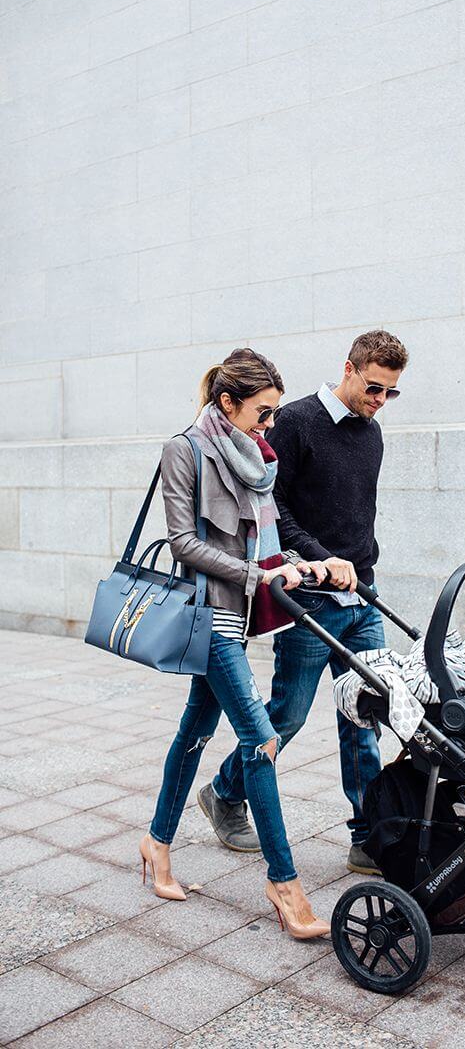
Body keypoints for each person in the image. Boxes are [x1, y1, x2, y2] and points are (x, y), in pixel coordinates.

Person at [198, 330, 408, 874]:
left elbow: (358, 514)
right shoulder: (293, 422)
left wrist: (359, 566)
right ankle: (224, 792)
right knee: (287, 715)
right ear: (349, 368)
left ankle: (367, 837)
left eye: (390, 392)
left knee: (364, 716)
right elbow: (275, 513)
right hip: (309, 599)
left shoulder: (373, 434)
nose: (380, 400)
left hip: (361, 594)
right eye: (373, 387)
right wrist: (321, 558)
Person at [139, 348, 329, 940]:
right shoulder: (185, 449)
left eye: (274, 413)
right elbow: (182, 542)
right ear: (227, 402)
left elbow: (261, 541)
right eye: (262, 412)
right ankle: (284, 884)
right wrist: (257, 577)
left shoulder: (255, 456)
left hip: (239, 617)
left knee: (195, 731)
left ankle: (156, 844)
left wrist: (290, 564)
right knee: (261, 739)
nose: (270, 424)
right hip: (208, 617)